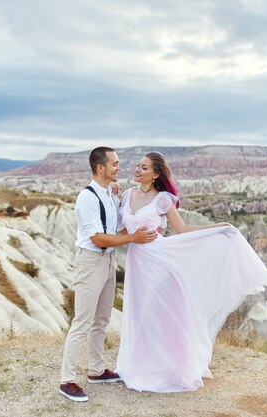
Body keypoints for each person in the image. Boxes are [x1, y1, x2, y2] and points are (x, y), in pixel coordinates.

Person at [115, 151, 267, 393]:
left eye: (144, 168)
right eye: (138, 165)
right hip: (137, 263)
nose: (138, 170)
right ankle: (142, 365)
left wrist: (217, 229)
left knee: (159, 314)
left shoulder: (163, 200)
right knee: (140, 314)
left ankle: (172, 367)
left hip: (160, 263)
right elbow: (121, 229)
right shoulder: (126, 196)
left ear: (156, 174)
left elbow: (182, 228)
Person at [59, 147, 159, 402]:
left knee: (101, 319)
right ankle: (67, 379)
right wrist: (132, 239)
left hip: (108, 260)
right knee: (82, 321)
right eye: (114, 164)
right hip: (91, 261)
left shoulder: (110, 195)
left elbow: (117, 225)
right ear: (100, 168)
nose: (119, 168)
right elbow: (97, 237)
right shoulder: (88, 197)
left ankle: (96, 370)